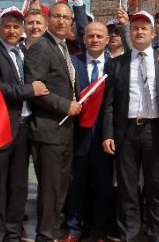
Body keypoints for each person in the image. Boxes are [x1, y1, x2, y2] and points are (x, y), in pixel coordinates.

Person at [102, 11, 159, 242]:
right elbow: (109, 104)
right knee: (127, 187)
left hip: (155, 130)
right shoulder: (117, 63)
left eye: (143, 28)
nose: (138, 32)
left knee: (158, 186)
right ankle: (129, 233)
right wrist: (108, 134)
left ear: (152, 32)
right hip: (126, 132)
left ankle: (158, 234)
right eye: (135, 28)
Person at [0, 6, 48, 242]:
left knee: (19, 183)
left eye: (16, 26)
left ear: (22, 30)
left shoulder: (25, 52)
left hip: (24, 125)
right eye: (7, 26)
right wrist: (30, 90)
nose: (12, 30)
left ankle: (12, 230)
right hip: (2, 125)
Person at [24, 1, 82, 242]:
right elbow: (37, 89)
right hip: (48, 131)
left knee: (59, 188)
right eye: (56, 16)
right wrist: (64, 105)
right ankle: (45, 236)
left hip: (65, 131)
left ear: (71, 22)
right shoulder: (41, 48)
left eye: (66, 18)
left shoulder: (63, 48)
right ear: (49, 20)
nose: (61, 21)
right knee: (50, 189)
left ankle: (51, 232)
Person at [62, 21, 116, 242]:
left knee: (103, 184)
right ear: (84, 39)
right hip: (78, 133)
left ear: (106, 40)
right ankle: (74, 228)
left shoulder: (116, 65)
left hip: (106, 134)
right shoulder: (73, 63)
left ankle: (100, 229)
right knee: (77, 183)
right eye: (90, 36)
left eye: (99, 36)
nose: (94, 40)